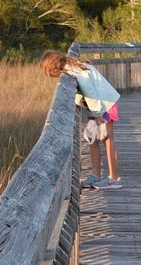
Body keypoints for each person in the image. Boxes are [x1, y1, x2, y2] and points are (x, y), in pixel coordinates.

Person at [40, 50, 122, 189]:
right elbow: (82, 91)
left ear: (52, 66)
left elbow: (90, 90)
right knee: (93, 139)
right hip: (98, 106)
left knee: (107, 139)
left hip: (105, 106)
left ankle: (114, 179)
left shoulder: (76, 70)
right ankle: (96, 175)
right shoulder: (72, 67)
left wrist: (98, 116)